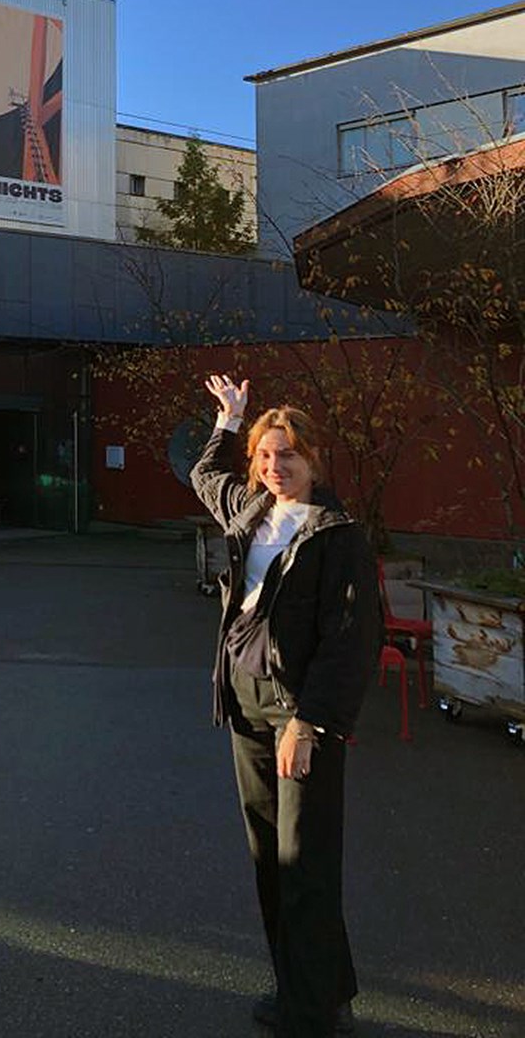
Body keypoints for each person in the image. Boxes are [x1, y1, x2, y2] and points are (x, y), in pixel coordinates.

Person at [190, 374, 380, 1038]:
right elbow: (204, 474)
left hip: (298, 713)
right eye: (266, 455)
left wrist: (310, 720)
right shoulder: (250, 508)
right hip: (242, 704)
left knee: (306, 862)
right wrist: (229, 420)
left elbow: (351, 640)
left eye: (287, 456)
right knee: (270, 859)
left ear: (313, 459)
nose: (275, 467)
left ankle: (312, 1012)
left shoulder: (337, 534)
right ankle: (310, 985)